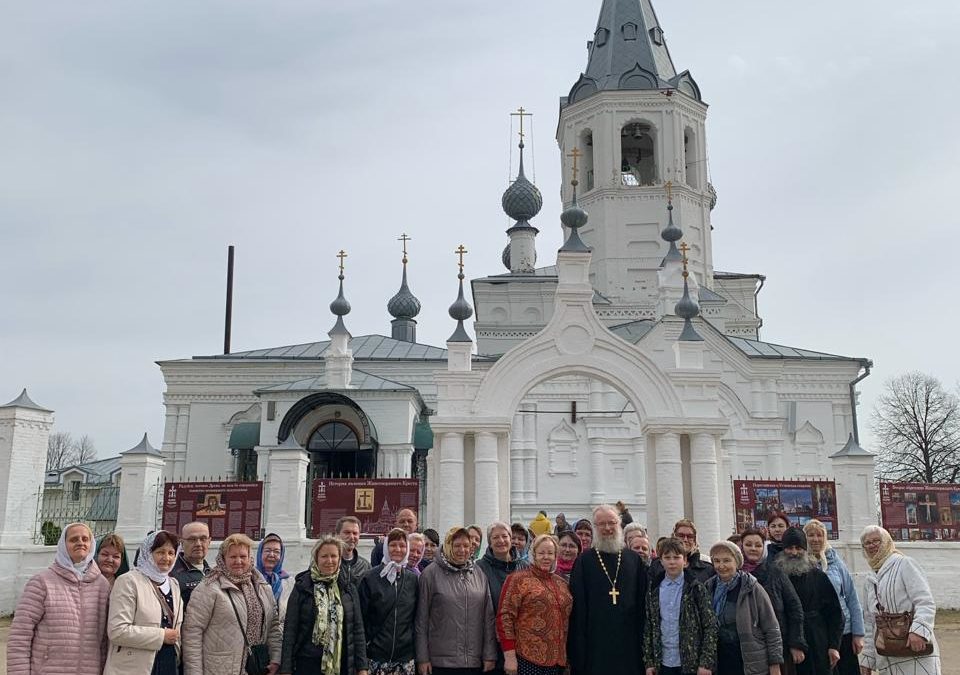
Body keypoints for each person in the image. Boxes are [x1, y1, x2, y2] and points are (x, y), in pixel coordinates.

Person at [7, 522, 111, 675]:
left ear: (92, 544)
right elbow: (20, 635)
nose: (80, 543)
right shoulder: (42, 582)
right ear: (63, 545)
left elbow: (105, 641)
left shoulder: (102, 585)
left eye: (85, 539)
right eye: (74, 539)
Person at [182, 533, 282, 675]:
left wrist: (275, 659)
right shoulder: (208, 587)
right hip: (219, 668)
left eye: (243, 556)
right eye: (233, 557)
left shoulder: (261, 586)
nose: (238, 561)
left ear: (250, 558)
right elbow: (192, 633)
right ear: (223, 559)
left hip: (257, 667)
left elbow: (273, 627)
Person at [569, 505, 649, 675]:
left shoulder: (633, 559)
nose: (607, 528)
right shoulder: (584, 561)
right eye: (601, 524)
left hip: (629, 644)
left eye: (611, 523)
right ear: (595, 527)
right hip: (595, 644)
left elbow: (643, 605)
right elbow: (578, 610)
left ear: (619, 524)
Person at [281, 535, 369, 675]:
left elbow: (357, 630)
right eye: (324, 556)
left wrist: (362, 667)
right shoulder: (302, 587)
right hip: (307, 664)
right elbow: (290, 630)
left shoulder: (348, 588)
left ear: (340, 559)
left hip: (341, 665)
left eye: (334, 556)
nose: (329, 561)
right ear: (316, 559)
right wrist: (286, 669)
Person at [858, 525, 941, 675]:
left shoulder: (904, 564)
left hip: (914, 649)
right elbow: (870, 621)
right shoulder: (869, 580)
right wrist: (867, 659)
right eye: (867, 543)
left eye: (876, 541)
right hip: (888, 654)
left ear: (886, 542)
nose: (871, 546)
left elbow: (925, 601)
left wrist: (919, 632)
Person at [415, 526, 497, 675]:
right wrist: (422, 658)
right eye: (457, 545)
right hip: (441, 663)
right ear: (448, 545)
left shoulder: (478, 574)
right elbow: (421, 619)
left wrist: (489, 654)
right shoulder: (430, 574)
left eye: (466, 546)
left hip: (474, 662)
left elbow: (488, 618)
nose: (462, 550)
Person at [103, 530, 183, 675]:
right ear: (148, 553)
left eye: (171, 553)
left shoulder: (174, 585)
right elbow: (117, 631)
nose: (166, 558)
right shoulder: (129, 581)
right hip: (134, 667)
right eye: (160, 552)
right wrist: (161, 636)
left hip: (168, 663)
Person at [497, 534, 573, 675]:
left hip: (558, 661)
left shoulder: (562, 583)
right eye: (541, 553)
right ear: (533, 555)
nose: (546, 557)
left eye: (550, 553)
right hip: (527, 659)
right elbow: (505, 617)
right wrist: (509, 657)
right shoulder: (518, 579)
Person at [704, 541, 783, 675]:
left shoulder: (752, 587)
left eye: (726, 560)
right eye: (717, 561)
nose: (721, 566)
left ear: (737, 562)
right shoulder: (708, 587)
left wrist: (774, 664)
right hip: (720, 660)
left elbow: (771, 628)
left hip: (749, 660)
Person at [644, 536, 717, 675]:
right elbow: (649, 626)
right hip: (663, 662)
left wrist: (706, 662)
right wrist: (649, 662)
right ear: (661, 561)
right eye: (667, 557)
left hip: (691, 663)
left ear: (684, 561)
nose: (672, 562)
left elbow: (710, 626)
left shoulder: (696, 588)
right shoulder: (653, 589)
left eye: (676, 557)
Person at [740, 528, 807, 674]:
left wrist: (796, 643)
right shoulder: (735, 575)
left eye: (758, 545)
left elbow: (794, 607)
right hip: (744, 648)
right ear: (741, 546)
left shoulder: (775, 572)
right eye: (748, 544)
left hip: (777, 645)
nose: (753, 549)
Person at [777, 527, 842, 675]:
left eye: (798, 548)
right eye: (789, 548)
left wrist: (834, 645)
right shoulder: (776, 577)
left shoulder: (818, 576)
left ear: (805, 549)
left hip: (818, 640)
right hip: (787, 642)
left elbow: (835, 613)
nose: (794, 552)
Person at [804, 520, 864, 675]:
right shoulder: (801, 564)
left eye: (819, 535)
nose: (815, 539)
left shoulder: (836, 562)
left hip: (843, 631)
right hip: (818, 634)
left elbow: (851, 597)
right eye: (811, 535)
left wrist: (858, 633)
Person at [359, 528, 419, 675]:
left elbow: (416, 618)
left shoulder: (413, 580)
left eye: (402, 545)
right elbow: (360, 621)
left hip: (405, 659)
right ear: (386, 547)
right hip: (376, 658)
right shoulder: (370, 578)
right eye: (393, 545)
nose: (398, 549)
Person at [476, 521, 530, 675]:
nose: (501, 541)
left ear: (510, 538)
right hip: (491, 644)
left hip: (522, 644)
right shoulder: (479, 568)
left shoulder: (525, 567)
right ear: (489, 542)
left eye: (504, 536)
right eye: (495, 537)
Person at [258, 532, 295, 628]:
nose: (272, 554)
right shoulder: (251, 578)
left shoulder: (289, 582)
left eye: (277, 552)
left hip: (280, 636)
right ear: (260, 553)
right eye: (267, 550)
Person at [171, 521, 211, 607]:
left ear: (209, 541)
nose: (198, 544)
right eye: (192, 539)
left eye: (203, 539)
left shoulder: (214, 572)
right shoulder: (171, 574)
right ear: (182, 542)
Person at [337, 515, 372, 586]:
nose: (351, 537)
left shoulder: (365, 566)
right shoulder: (326, 563)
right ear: (337, 535)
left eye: (355, 533)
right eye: (347, 533)